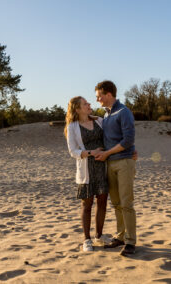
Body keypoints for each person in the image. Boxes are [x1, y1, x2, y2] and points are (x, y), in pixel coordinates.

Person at [94, 80, 137, 256]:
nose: (98, 100)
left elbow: (128, 140)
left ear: (109, 94)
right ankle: (120, 236)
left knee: (126, 203)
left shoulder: (123, 111)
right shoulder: (106, 115)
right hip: (110, 163)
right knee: (117, 203)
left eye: (99, 96)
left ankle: (131, 242)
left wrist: (108, 153)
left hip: (124, 162)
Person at [65, 96, 111, 252]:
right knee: (87, 205)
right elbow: (73, 151)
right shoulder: (72, 127)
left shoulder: (99, 120)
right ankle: (87, 239)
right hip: (86, 169)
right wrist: (91, 152)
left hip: (102, 166)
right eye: (85, 104)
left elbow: (110, 138)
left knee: (103, 202)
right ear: (77, 109)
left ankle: (99, 235)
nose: (89, 104)